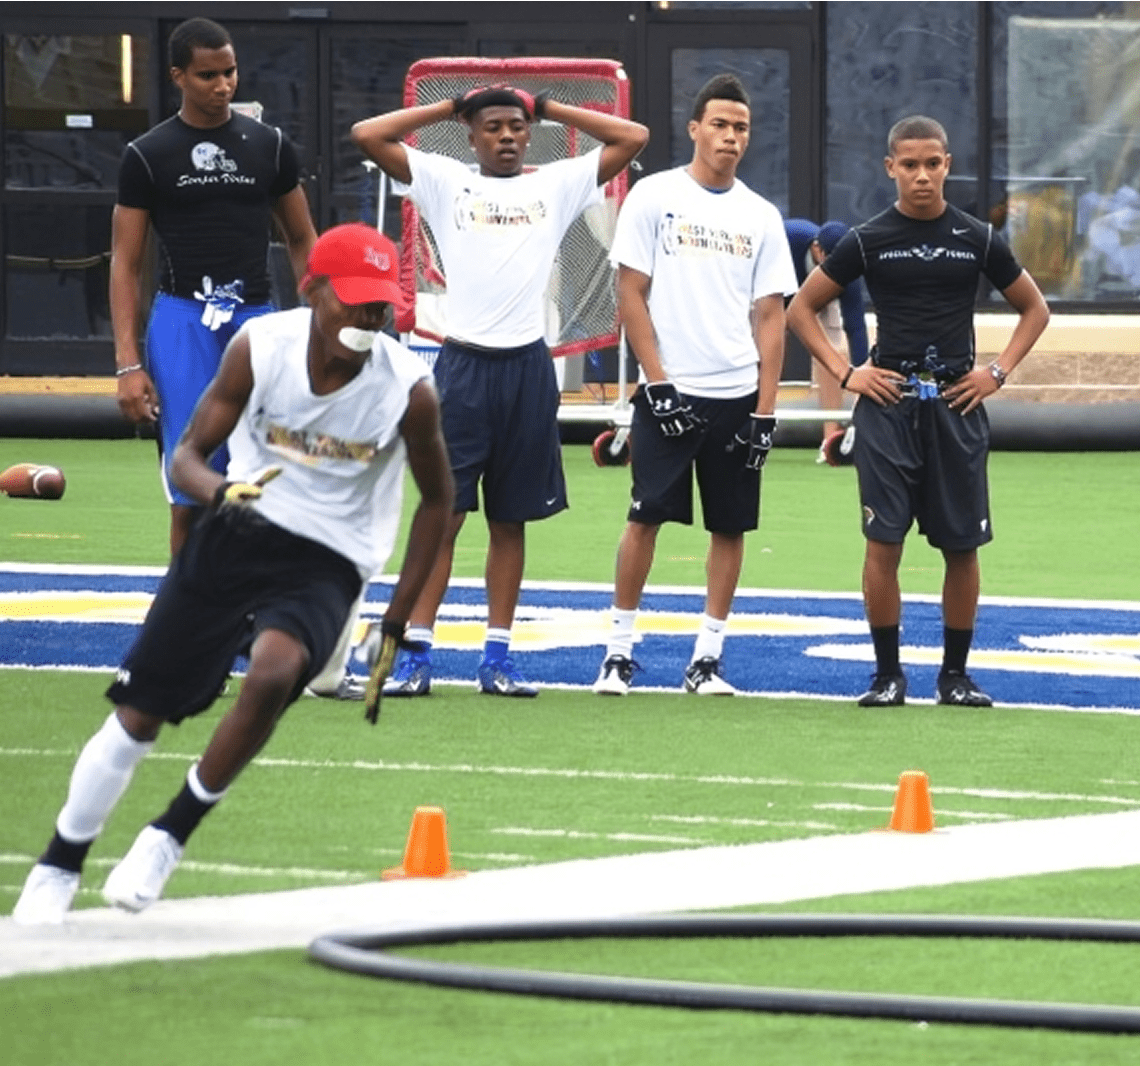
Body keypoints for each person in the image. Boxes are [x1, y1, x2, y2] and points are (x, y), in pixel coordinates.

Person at [12, 223, 454, 924]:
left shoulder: (410, 389)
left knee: (276, 672)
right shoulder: (262, 347)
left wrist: (397, 621)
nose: (370, 320)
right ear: (312, 291)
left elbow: (439, 501)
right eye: (355, 303)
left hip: (329, 555)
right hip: (240, 525)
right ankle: (60, 861)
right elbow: (188, 454)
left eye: (381, 307)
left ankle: (168, 833)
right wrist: (220, 493)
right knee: (140, 713)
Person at [350, 82, 648, 698]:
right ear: (471, 136)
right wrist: (447, 105)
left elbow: (633, 137)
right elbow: (367, 135)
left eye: (517, 127)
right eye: (493, 127)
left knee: (511, 521)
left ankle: (497, 658)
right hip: (461, 371)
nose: (507, 136)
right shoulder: (443, 178)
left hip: (527, 371)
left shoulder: (555, 184)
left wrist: (549, 107)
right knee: (446, 517)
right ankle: (415, 657)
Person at [786, 115, 1049, 708]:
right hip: (888, 408)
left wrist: (996, 372)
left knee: (962, 546)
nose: (922, 176)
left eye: (933, 164)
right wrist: (849, 372)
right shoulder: (868, 237)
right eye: (910, 165)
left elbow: (1035, 308)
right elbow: (802, 309)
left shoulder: (977, 237)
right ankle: (887, 676)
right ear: (891, 169)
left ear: (948, 165)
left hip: (957, 406)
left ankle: (955, 676)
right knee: (884, 544)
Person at [592, 73, 797, 697]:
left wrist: (764, 411)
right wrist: (658, 386)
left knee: (729, 527)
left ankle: (707, 658)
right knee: (644, 518)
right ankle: (619, 653)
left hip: (736, 396)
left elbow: (770, 316)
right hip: (669, 394)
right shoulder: (653, 197)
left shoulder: (761, 215)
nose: (730, 137)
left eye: (740, 128)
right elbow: (631, 292)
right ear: (694, 128)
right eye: (719, 124)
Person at [110, 17, 317, 560]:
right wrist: (128, 364)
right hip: (182, 323)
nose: (223, 85)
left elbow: (302, 240)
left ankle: (255, 605)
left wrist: (322, 326)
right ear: (179, 76)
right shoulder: (147, 155)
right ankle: (188, 621)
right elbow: (125, 263)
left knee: (271, 471)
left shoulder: (269, 147)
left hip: (257, 321)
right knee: (190, 483)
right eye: (207, 75)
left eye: (229, 72)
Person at [783, 218, 869, 450]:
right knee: (771, 342)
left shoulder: (847, 267)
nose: (838, 265)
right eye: (832, 259)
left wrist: (862, 377)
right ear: (817, 250)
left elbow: (856, 326)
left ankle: (829, 435)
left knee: (830, 351)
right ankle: (760, 420)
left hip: (822, 295)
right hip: (782, 286)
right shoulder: (786, 240)